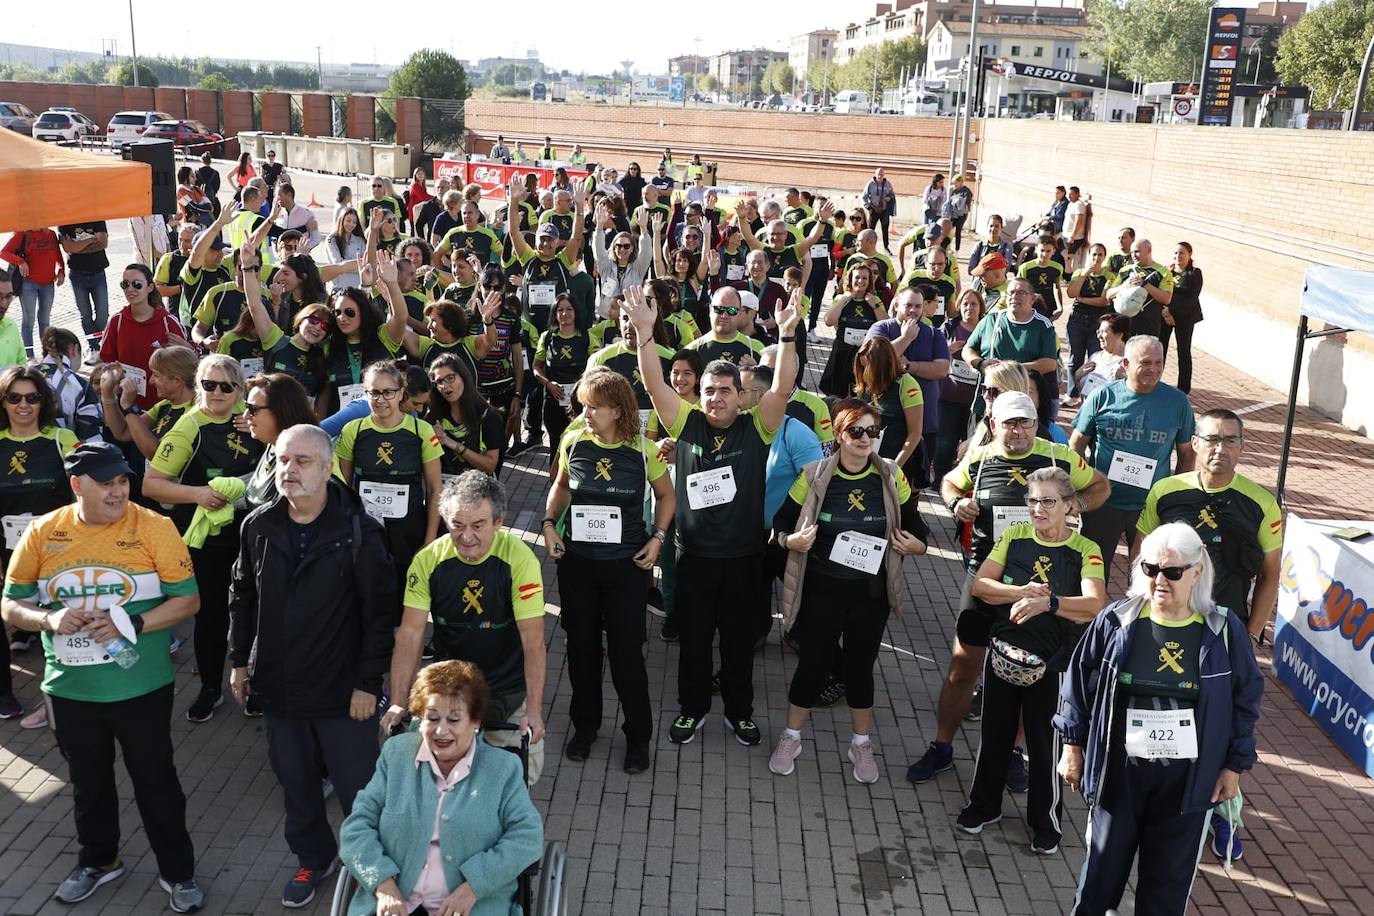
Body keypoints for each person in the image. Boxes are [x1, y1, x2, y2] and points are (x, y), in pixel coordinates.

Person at [1, 441, 204, 912]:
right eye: (106, 483)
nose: (118, 492)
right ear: (76, 486)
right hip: (70, 689)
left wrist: (130, 623)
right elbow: (11, 603)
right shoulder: (43, 532)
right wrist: (48, 621)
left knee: (156, 780)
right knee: (89, 783)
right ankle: (98, 860)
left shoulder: (155, 527)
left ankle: (179, 873)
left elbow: (188, 600)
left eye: (123, 481)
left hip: (141, 686)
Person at [227, 424, 396, 907]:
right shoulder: (258, 526)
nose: (289, 470)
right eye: (282, 460)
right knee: (297, 786)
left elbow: (379, 616)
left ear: (327, 468)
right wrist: (240, 663)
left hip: (345, 692)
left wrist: (369, 683)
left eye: (302, 461)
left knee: (359, 791)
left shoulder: (360, 532)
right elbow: (242, 598)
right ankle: (312, 858)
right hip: (279, 687)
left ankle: (373, 865)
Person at [1056, 523, 1263, 915]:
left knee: (1165, 891)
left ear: (1197, 571)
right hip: (1120, 775)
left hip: (1187, 783)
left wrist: (1234, 766)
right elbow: (1077, 684)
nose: (1160, 580)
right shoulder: (1117, 621)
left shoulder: (1223, 631)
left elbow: (1246, 699)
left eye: (1172, 572)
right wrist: (1072, 746)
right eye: (1150, 569)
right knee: (1099, 879)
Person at [626, 284, 801, 746]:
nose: (716, 398)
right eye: (709, 391)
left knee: (739, 644)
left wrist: (786, 336)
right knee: (695, 643)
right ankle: (692, 709)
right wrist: (646, 331)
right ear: (699, 395)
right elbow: (653, 384)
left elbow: (782, 386)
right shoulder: (686, 422)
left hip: (744, 558)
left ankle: (740, 713)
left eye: (725, 391)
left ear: (741, 395)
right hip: (693, 558)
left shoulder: (757, 426)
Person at [907, 391, 1108, 784]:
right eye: (1009, 423)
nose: (1018, 430)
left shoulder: (1057, 455)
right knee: (963, 665)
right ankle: (941, 745)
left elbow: (1099, 486)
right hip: (986, 575)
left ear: (1037, 423)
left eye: (1026, 422)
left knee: (1029, 667)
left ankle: (1014, 753)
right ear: (993, 424)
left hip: (1043, 583)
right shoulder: (981, 456)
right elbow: (950, 482)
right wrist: (955, 504)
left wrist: (1074, 506)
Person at [771, 398, 928, 783]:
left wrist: (916, 546)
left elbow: (917, 530)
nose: (864, 439)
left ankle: (860, 743)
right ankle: (791, 737)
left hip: (869, 596)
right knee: (813, 664)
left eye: (872, 432)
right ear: (839, 434)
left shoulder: (891, 475)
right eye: (856, 431)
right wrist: (792, 540)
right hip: (821, 591)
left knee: (859, 669)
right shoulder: (814, 474)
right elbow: (779, 527)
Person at [959, 467, 1107, 852]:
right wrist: (1018, 591)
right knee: (994, 734)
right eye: (1033, 500)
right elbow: (981, 585)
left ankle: (1046, 821)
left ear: (1069, 505)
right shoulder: (1014, 535)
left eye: (1048, 501)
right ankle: (984, 805)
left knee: (1045, 745)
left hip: (1054, 664)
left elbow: (1094, 605)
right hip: (1004, 655)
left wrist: (1050, 603)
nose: (1038, 509)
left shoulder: (1085, 550)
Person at [542, 368, 673, 772]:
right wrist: (549, 524)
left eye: (594, 407)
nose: (585, 414)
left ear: (618, 410)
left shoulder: (643, 450)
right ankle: (585, 727)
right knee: (581, 650)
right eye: (583, 406)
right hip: (579, 565)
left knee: (625, 655)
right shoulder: (573, 439)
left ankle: (637, 737)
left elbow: (666, 496)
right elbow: (561, 485)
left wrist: (657, 538)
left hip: (626, 568)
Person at [340, 659, 543, 916]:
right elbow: (356, 827)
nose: (441, 730)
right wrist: (383, 884)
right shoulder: (396, 755)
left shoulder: (503, 769)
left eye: (454, 719)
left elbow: (527, 837)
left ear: (475, 722)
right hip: (396, 904)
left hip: (471, 906)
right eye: (432, 718)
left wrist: (474, 887)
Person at [383, 472, 549, 782]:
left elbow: (533, 640)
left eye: (478, 525)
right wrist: (398, 701)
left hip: (506, 687)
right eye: (457, 525)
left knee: (516, 780)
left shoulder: (520, 560)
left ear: (499, 521)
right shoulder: (429, 560)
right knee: (432, 780)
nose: (467, 536)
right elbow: (410, 634)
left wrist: (535, 710)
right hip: (451, 690)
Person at [143, 355, 264, 722]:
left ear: (239, 389)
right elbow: (151, 484)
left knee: (260, 613)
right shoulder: (188, 426)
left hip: (255, 533)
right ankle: (211, 688)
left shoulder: (253, 417)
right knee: (211, 615)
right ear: (198, 385)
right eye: (209, 384)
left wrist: (262, 428)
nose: (217, 392)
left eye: (227, 386)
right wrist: (197, 494)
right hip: (209, 541)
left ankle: (257, 684)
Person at [1138, 408, 1281, 651]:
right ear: (1195, 443)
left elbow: (1270, 574)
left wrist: (1252, 634)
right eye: (1212, 439)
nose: (1220, 448)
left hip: (1225, 622)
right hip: (1165, 618)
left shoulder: (1263, 503)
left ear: (1241, 446)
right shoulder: (1164, 491)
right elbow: (1140, 551)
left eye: (1230, 440)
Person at [1070, 335, 1195, 586]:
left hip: (1150, 505)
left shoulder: (1178, 402)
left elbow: (1186, 454)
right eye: (1146, 362)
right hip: (1104, 502)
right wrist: (1082, 484)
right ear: (1126, 364)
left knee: (1147, 577)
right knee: (1092, 575)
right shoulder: (1103, 396)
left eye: (1159, 363)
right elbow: (1076, 444)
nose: (1154, 369)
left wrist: (1174, 496)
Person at [0, 366, 80, 720]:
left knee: (59, 622)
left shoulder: (60, 439)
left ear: (43, 401)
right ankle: (4, 694)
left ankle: (61, 698)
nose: (23, 405)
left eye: (32, 398)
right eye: (14, 397)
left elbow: (85, 491)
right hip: (5, 550)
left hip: (57, 550)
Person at [336, 360, 443, 597]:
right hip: (366, 533)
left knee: (406, 601)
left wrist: (429, 540)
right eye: (373, 392)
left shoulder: (421, 431)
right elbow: (342, 487)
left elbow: (436, 489)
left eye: (388, 392)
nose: (380, 399)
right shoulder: (353, 430)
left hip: (409, 533)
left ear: (401, 392)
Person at [866, 286, 951, 486]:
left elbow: (941, 369)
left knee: (912, 484)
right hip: (884, 419)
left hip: (924, 422)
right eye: (908, 305)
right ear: (896, 304)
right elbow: (872, 360)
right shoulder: (881, 329)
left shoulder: (933, 334)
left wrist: (906, 365)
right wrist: (905, 338)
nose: (913, 311)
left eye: (918, 306)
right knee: (875, 476)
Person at [98, 263, 191, 411]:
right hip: (126, 404)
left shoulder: (168, 323)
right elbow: (106, 360)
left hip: (163, 407)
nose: (130, 289)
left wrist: (189, 349)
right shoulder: (117, 321)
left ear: (150, 287)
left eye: (137, 284)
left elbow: (187, 364)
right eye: (125, 284)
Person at [100, 344, 199, 464]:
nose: (151, 381)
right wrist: (108, 394)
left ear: (177, 381)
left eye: (156, 375)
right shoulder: (166, 404)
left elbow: (156, 454)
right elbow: (123, 432)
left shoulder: (194, 411)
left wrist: (130, 408)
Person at [851, 337, 925, 485]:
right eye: (862, 367)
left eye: (868, 368)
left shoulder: (907, 385)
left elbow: (915, 432)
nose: (865, 372)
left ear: (883, 365)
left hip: (897, 460)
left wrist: (895, 467)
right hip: (867, 458)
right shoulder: (865, 382)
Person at [962, 278, 1058, 382]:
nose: (1014, 297)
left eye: (1021, 293)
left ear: (1032, 299)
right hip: (990, 390)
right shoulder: (991, 319)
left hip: (1023, 390)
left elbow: (1050, 363)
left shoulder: (1043, 325)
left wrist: (1012, 369)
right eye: (1011, 292)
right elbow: (968, 349)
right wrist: (980, 363)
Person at [934, 289, 986, 480]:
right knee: (945, 441)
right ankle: (940, 478)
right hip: (947, 396)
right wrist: (946, 349)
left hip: (976, 400)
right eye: (965, 303)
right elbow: (934, 351)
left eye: (974, 304)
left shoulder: (987, 328)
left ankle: (965, 480)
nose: (969, 308)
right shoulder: (949, 326)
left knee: (972, 441)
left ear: (981, 307)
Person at [427, 355, 503, 480]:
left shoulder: (488, 417)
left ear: (463, 377)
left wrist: (451, 443)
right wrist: (433, 439)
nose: (445, 386)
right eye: (440, 382)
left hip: (478, 490)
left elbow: (490, 466)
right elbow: (429, 457)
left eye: (450, 378)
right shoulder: (434, 418)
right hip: (444, 490)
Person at [532, 295, 590, 451]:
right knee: (556, 446)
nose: (565, 313)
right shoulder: (547, 337)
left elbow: (595, 370)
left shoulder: (588, 337)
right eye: (560, 310)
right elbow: (537, 368)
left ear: (576, 312)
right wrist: (548, 384)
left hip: (580, 403)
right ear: (555, 314)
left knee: (579, 446)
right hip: (553, 402)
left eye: (569, 309)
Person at [820, 262, 887, 398]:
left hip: (865, 354)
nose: (860, 281)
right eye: (857, 277)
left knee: (863, 392)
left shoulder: (875, 300)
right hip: (843, 351)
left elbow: (886, 324)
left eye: (864, 278)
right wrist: (843, 300)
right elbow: (828, 321)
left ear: (869, 281)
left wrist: (873, 305)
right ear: (850, 279)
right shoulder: (841, 299)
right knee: (837, 394)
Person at [1064, 243, 1115, 403]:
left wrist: (1083, 299)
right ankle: (1072, 394)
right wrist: (1085, 273)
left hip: (1097, 321)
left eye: (1100, 255)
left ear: (1104, 257)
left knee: (1095, 358)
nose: (1096, 258)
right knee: (1074, 359)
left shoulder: (1109, 276)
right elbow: (1071, 293)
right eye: (1094, 254)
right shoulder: (1080, 272)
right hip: (1077, 320)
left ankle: (1092, 394)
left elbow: (1103, 300)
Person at [2, 226, 64, 355]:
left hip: (48, 284)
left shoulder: (51, 234)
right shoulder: (22, 233)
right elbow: (4, 253)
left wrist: (62, 270)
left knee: (45, 321)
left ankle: (47, 354)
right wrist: (20, 262)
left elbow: (58, 255)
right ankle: (29, 356)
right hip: (28, 284)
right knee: (28, 321)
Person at [58, 220, 109, 355]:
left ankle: (95, 341)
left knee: (103, 313)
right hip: (77, 274)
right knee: (85, 314)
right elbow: (68, 247)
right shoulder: (64, 222)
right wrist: (91, 240)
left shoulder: (96, 217)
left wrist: (78, 246)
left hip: (98, 272)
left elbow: (103, 243)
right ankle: (94, 347)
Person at [1106, 238, 1174, 340]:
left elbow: (1166, 298)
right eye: (1132, 252)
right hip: (1125, 324)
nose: (1133, 255)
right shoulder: (1125, 270)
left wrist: (1145, 284)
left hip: (1148, 326)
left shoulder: (1163, 272)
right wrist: (1124, 286)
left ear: (1149, 251)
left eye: (1137, 251)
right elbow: (1108, 294)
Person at [684, 286, 765, 367]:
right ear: (710, 310)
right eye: (719, 309)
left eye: (731, 310)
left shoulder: (756, 349)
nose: (724, 316)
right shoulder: (692, 351)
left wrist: (755, 370)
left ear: (740, 313)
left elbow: (770, 378)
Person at [1161, 242, 1203, 394]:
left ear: (1189, 254)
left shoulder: (1195, 273)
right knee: (1160, 348)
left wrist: (1172, 312)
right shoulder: (1167, 272)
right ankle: (1155, 382)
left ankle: (1183, 388)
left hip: (1185, 317)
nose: (1178, 256)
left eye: (1182, 253)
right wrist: (1166, 313)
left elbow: (1192, 297)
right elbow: (1161, 292)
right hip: (1165, 317)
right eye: (1175, 253)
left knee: (1183, 351)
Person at [1074, 312, 1128, 405]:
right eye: (1098, 332)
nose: (1099, 336)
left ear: (1119, 334)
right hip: (1089, 415)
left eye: (1104, 332)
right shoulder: (1095, 357)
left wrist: (1126, 380)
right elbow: (1084, 393)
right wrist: (1077, 376)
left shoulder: (1128, 363)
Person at [326, 208, 367, 291]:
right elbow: (338, 264)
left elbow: (365, 264)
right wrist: (358, 263)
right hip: (339, 288)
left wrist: (347, 264)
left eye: (354, 222)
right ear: (342, 220)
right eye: (348, 221)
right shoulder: (332, 239)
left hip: (358, 288)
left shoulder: (360, 240)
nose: (351, 224)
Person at [862, 168, 895, 251]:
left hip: (884, 210)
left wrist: (889, 198)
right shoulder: (870, 184)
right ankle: (867, 246)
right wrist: (868, 207)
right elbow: (864, 196)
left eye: (881, 174)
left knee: (885, 229)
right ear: (875, 175)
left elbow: (892, 195)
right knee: (870, 229)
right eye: (878, 174)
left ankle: (886, 247)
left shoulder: (887, 184)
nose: (880, 176)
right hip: (874, 209)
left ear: (884, 175)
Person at [194, 151, 221, 218]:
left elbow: (195, 185)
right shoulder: (215, 173)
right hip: (212, 198)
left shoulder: (197, 172)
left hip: (199, 198)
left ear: (202, 161)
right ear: (210, 161)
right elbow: (217, 186)